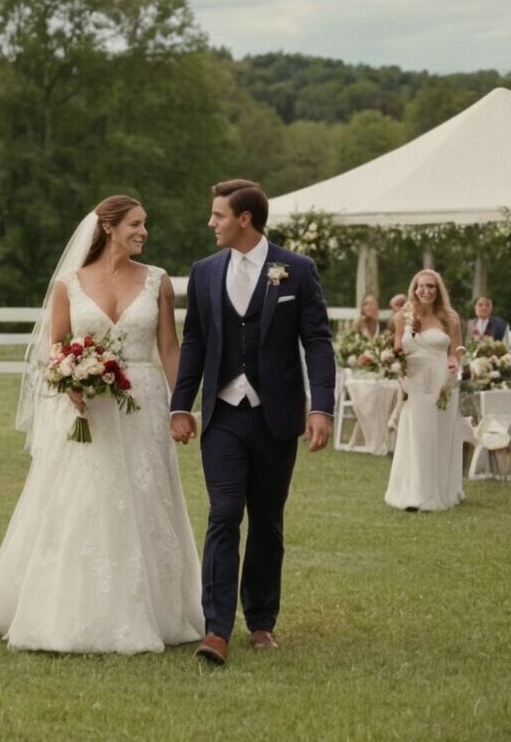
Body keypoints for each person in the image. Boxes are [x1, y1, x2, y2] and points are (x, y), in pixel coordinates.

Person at [0, 195, 203, 654]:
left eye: (144, 224)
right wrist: (70, 380)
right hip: (88, 411)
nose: (143, 232)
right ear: (109, 227)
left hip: (143, 407)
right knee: (85, 502)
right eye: (135, 224)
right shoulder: (69, 284)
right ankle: (71, 611)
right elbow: (55, 347)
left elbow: (169, 348)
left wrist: (181, 406)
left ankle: (153, 609)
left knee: (146, 500)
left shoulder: (158, 281)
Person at [169, 179, 335, 665]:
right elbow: (194, 340)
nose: (211, 222)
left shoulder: (297, 270)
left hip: (276, 416)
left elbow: (317, 342)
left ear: (245, 219)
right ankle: (216, 629)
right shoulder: (203, 272)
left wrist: (321, 408)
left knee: (267, 520)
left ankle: (261, 621)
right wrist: (181, 404)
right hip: (223, 415)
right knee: (223, 514)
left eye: (218, 215)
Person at [384, 269, 465, 512]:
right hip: (415, 381)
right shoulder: (403, 316)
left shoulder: (449, 317)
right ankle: (415, 493)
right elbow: (398, 347)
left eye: (431, 286)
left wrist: (454, 360)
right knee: (418, 435)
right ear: (414, 288)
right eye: (421, 286)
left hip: (441, 382)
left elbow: (457, 349)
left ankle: (442, 490)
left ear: (438, 290)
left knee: (440, 434)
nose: (426, 291)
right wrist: (391, 360)